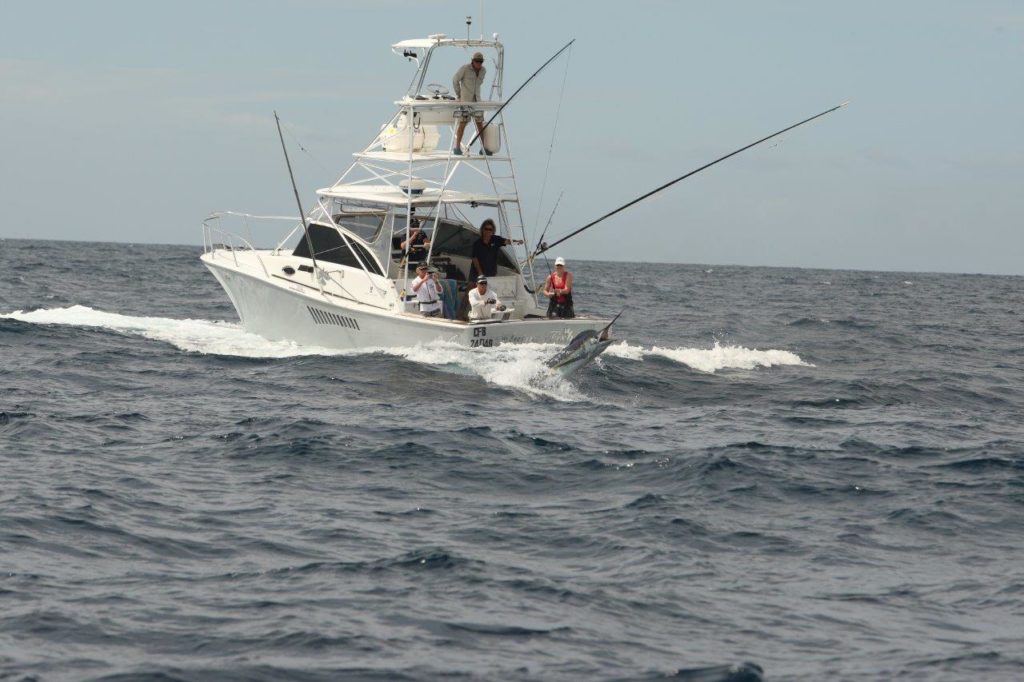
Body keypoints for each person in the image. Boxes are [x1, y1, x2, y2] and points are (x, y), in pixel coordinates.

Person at [452, 52, 487, 155]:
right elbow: (455, 80)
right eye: (477, 61)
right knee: (462, 123)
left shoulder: (483, 71)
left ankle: (483, 147)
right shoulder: (465, 68)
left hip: (477, 101)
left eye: (481, 62)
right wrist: (459, 95)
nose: (479, 64)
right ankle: (457, 147)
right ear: (472, 61)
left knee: (480, 123)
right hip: (465, 101)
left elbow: (479, 84)